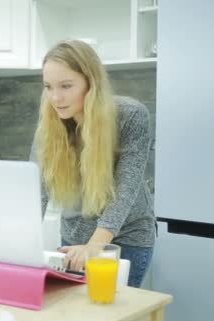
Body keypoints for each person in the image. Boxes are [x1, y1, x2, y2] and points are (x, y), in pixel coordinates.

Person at [30, 40, 156, 287]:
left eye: (66, 86)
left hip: (122, 241)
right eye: (48, 87)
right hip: (73, 241)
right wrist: (19, 246)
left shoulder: (130, 116)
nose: (55, 97)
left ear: (91, 82)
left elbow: (125, 191)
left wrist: (96, 245)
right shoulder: (49, 126)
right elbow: (36, 194)